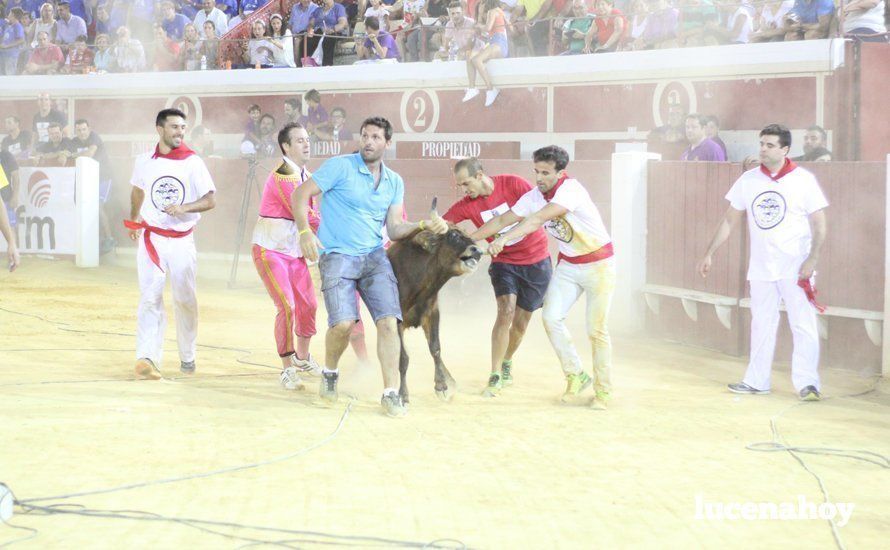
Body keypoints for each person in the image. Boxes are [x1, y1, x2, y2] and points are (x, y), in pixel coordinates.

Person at [292, 116, 448, 417]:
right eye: (365, 135)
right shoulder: (341, 166)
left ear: (387, 143)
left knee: (389, 322)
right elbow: (300, 194)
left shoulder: (394, 181)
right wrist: (304, 231)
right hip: (337, 255)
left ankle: (390, 393)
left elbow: (394, 230)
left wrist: (423, 225)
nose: (368, 141)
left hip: (375, 257)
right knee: (343, 324)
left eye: (376, 137)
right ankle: (330, 373)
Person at [696, 124, 827, 401]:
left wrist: (812, 258)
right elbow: (730, 219)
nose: (763, 150)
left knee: (802, 323)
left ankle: (807, 383)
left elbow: (819, 223)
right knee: (761, 324)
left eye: (770, 145)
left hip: (795, 265)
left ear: (785, 149)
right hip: (762, 266)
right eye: (762, 144)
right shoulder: (749, 180)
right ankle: (757, 380)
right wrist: (710, 252)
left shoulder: (803, 180)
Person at [484, 146, 616, 410]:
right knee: (551, 318)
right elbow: (503, 220)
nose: (539, 178)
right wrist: (469, 238)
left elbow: (538, 219)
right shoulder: (534, 196)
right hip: (568, 265)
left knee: (595, 330)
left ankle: (603, 391)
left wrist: (505, 239)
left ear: (561, 173)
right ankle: (576, 374)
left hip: (599, 264)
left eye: (545, 173)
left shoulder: (571, 190)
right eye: (536, 172)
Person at [443, 158, 552, 397]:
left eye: (466, 183)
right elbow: (444, 224)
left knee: (521, 324)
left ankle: (506, 362)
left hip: (537, 260)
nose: (464, 190)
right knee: (506, 312)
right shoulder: (465, 205)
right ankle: (494, 373)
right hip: (504, 263)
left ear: (480, 175)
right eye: (460, 185)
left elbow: (536, 214)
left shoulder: (514, 184)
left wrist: (499, 238)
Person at [126, 108, 217, 380]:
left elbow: (210, 200)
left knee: (185, 298)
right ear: (160, 129)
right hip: (151, 237)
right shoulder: (144, 161)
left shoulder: (193, 162)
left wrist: (184, 207)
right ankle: (147, 357)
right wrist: (133, 219)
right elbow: (137, 190)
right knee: (150, 295)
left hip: (181, 240)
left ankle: (187, 356)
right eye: (175, 127)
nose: (180, 132)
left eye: (182, 127)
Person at [252, 122, 323, 391]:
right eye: (300, 140)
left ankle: (302, 358)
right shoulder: (284, 175)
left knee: (309, 305)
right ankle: (287, 368)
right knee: (288, 305)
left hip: (293, 252)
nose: (307, 144)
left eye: (308, 139)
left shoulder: (305, 174)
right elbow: (304, 213)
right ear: (286, 146)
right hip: (270, 249)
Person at [68, 119, 116, 254]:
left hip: (104, 178)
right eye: (78, 130)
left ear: (89, 129)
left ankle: (109, 239)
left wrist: (73, 155)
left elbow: (89, 154)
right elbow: (65, 154)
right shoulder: (74, 142)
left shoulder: (94, 136)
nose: (82, 133)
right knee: (86, 208)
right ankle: (91, 239)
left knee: (98, 206)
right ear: (75, 131)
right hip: (88, 180)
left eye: (84, 129)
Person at [462, 0, 510, 107]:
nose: (481, 10)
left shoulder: (492, 11)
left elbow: (488, 28)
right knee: (470, 55)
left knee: (476, 59)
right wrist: (478, 32)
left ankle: (490, 88)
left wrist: (478, 26)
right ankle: (472, 87)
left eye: (482, 6)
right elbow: (492, 34)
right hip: (495, 42)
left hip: (499, 44)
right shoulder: (499, 11)